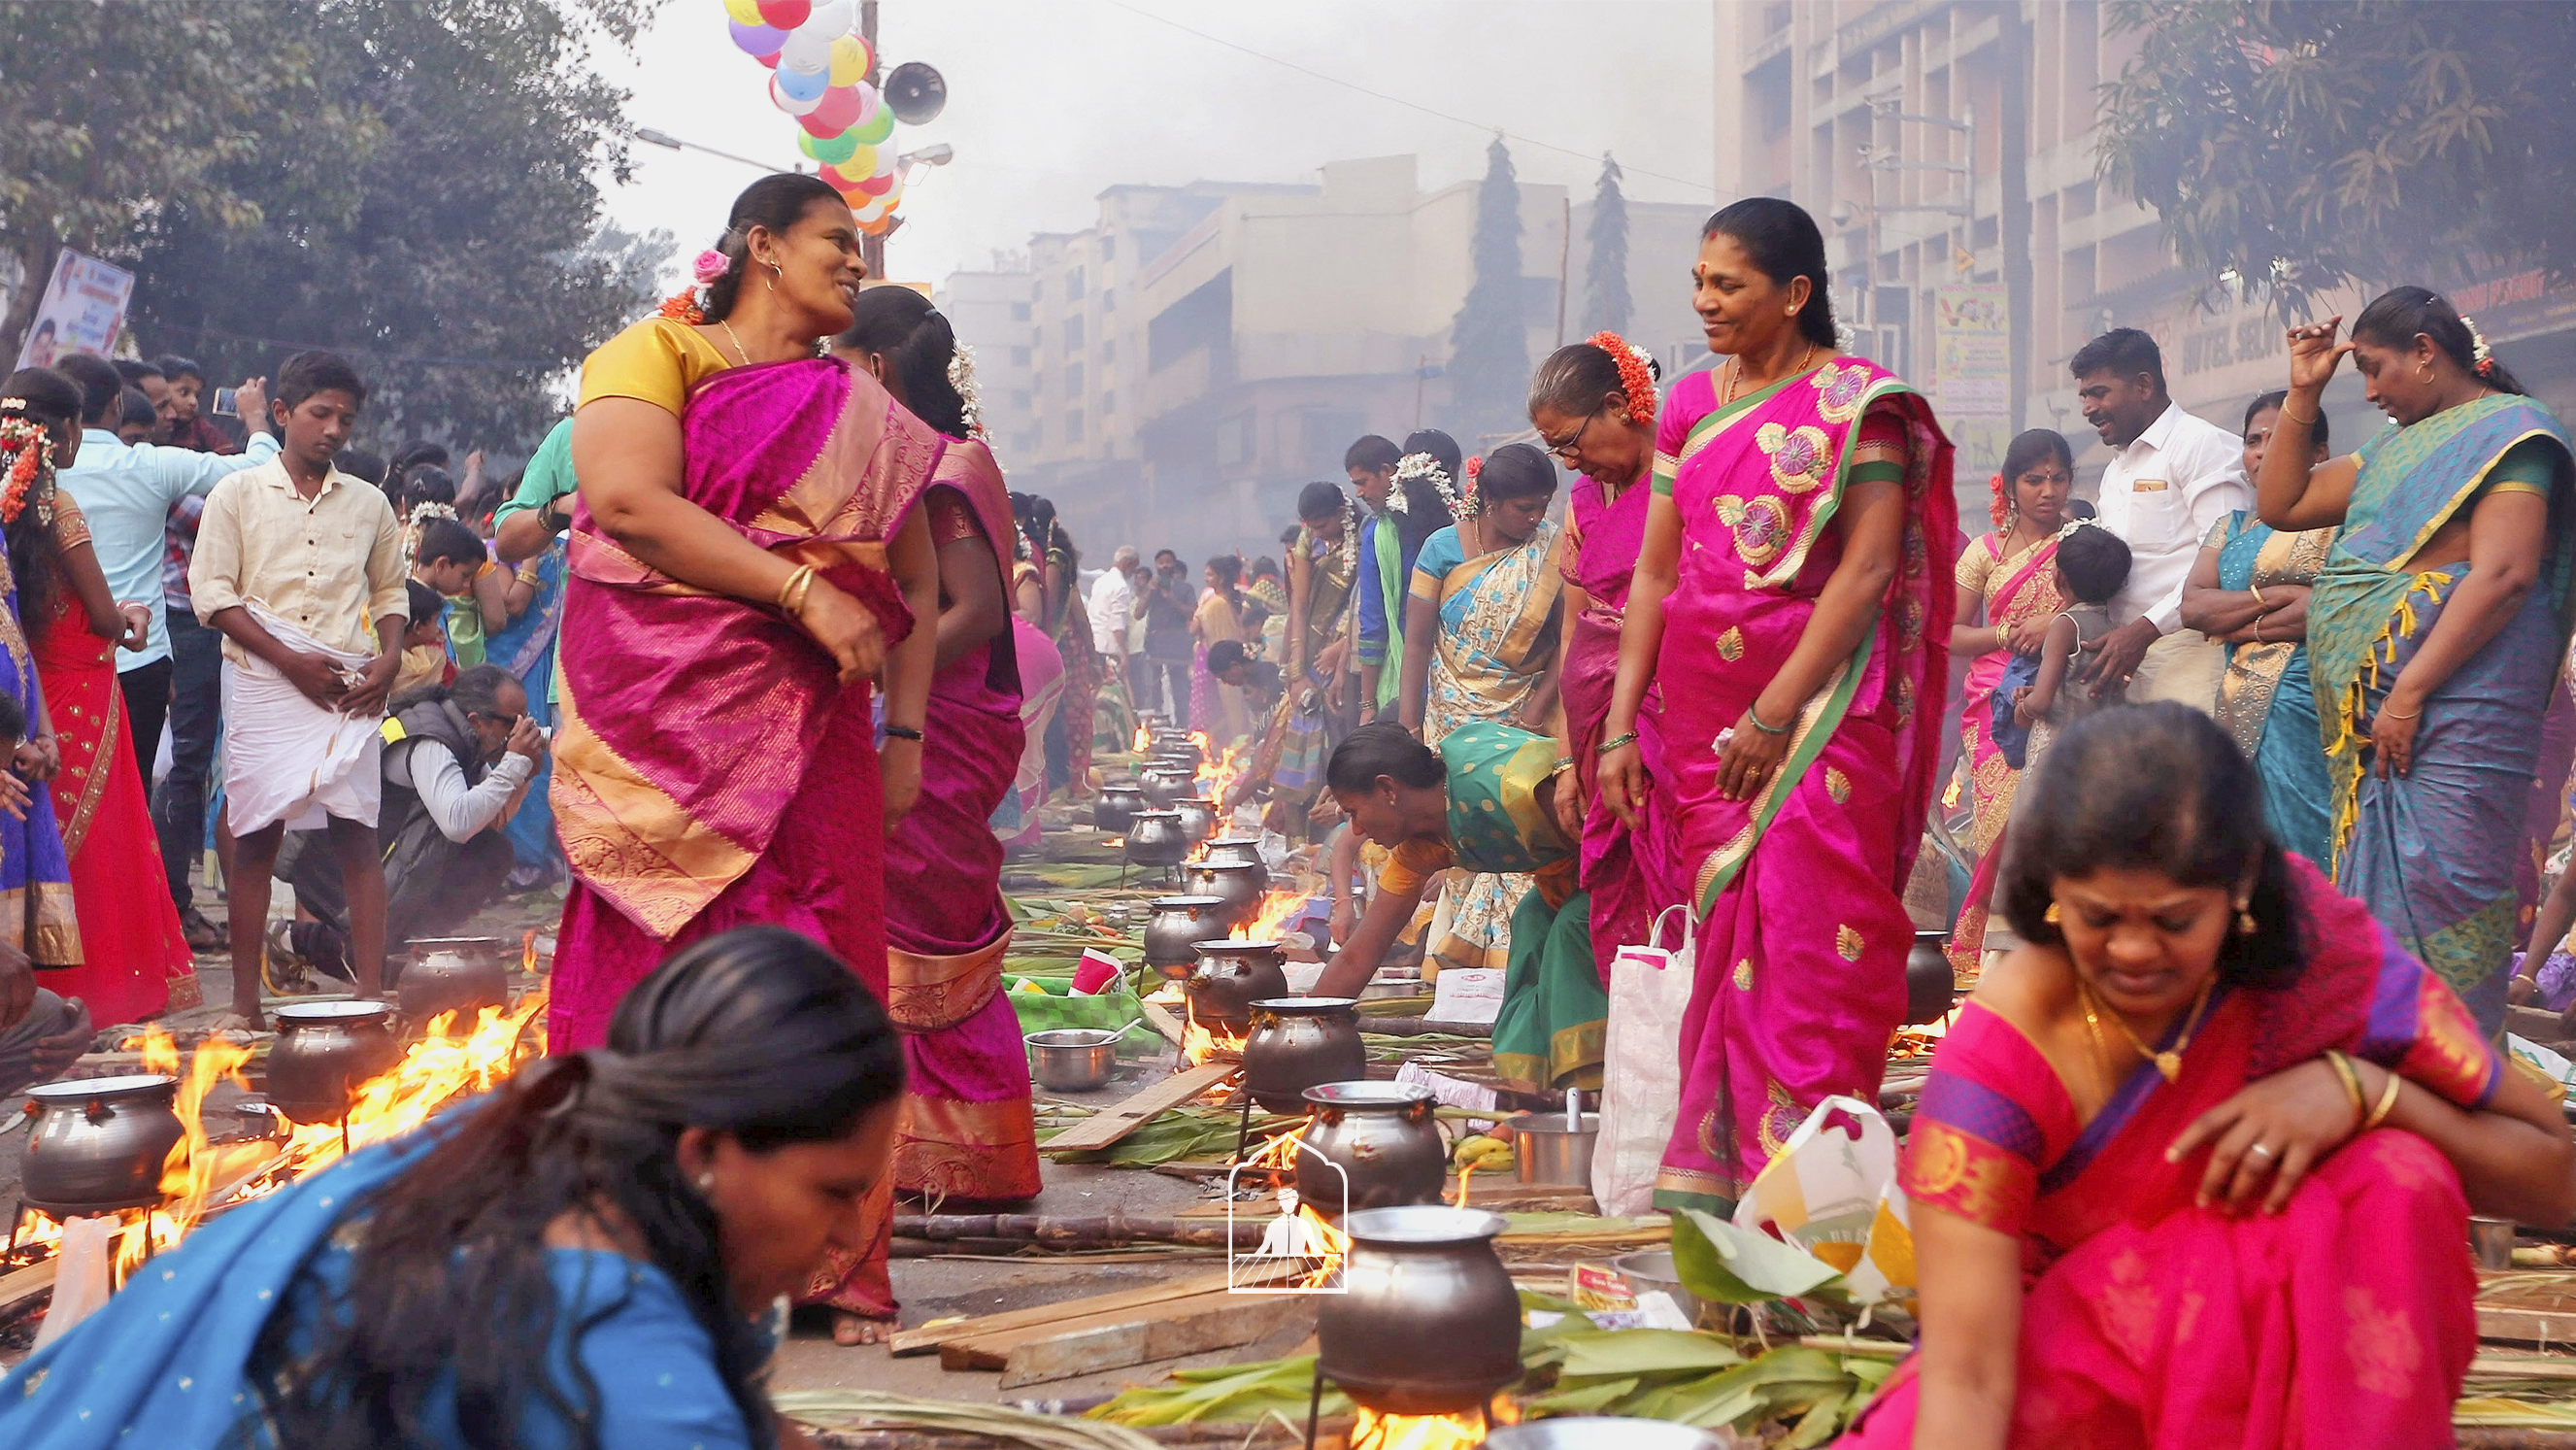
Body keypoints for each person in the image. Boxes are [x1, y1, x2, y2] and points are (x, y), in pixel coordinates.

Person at [1843, 704, 2576, 1448]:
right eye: (2096, 917)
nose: (2131, 951)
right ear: (2052, 890)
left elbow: (2552, 1178)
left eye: (2173, 921)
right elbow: (1967, 1377)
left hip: (2285, 1373)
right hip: (2063, 1380)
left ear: (2241, 884)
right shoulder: (2000, 1055)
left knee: (2391, 1178)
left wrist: (2363, 1090)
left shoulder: (2318, 958)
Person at [0, 926, 906, 1450]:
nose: (845, 1237)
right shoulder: (610, 1345)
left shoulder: (565, 1159)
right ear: (706, 1150)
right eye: (834, 1191)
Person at [554, 175, 940, 1342]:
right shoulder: (654, 351)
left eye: (862, 250)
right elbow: (625, 501)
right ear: (760, 245)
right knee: (652, 963)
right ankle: (618, 1240)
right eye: (837, 242)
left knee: (816, 966)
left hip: (817, 735)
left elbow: (913, 582)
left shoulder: (857, 400)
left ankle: (825, 1259)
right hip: (660, 728)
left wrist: (906, 736)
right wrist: (796, 589)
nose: (855, 265)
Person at [1596, 197, 1955, 1210]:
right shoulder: (1688, 407)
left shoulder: (1861, 407)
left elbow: (1869, 567)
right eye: (1699, 285)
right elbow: (1656, 577)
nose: (1706, 304)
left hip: (1821, 714)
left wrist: (1772, 713)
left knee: (1811, 953)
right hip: (1698, 723)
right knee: (1729, 947)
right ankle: (1721, 1195)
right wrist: (1623, 725)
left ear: (1793, 293)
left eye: (1728, 285)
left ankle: (1811, 1205)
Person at [2256, 287, 2576, 1034]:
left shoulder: (2513, 434)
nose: (2366, 390)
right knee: (2377, 913)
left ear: (2426, 352)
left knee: (2449, 886)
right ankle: (2392, 1071)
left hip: (2454, 715)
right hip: (2377, 735)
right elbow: (2282, 503)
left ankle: (2456, 1073)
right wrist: (2304, 390)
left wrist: (2407, 694)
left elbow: (2504, 575)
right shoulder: (2390, 450)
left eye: (2373, 368)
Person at [833, 286, 1041, 1242]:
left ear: (876, 366)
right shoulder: (949, 456)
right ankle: (931, 1157)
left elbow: (976, 612)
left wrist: (885, 679)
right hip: (946, 713)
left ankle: (970, 1160)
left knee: (928, 944)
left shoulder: (947, 467)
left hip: (945, 722)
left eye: (839, 362)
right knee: (910, 933)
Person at [191, 351, 408, 1030]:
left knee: (356, 834)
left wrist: (392, 657)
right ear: (282, 413)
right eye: (321, 413)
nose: (335, 430)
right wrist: (288, 660)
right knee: (255, 835)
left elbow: (391, 592)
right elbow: (213, 596)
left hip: (347, 681)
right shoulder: (236, 495)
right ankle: (245, 1006)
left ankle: (368, 994)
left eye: (346, 418)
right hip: (263, 676)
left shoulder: (370, 503)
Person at [1525, 332, 1682, 1041]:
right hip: (1594, 724)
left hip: (1670, 710)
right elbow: (1571, 628)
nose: (1567, 462)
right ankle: (1632, 1051)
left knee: (1676, 875)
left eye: (1569, 441)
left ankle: (1685, 1039)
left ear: (1620, 407)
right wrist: (1566, 755)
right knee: (1613, 883)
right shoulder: (1585, 502)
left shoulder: (1689, 477)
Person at [51, 353, 276, 785]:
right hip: (141, 659)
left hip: (57, 655)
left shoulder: (32, 471)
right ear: (117, 405)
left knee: (60, 793)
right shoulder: (151, 465)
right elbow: (261, 470)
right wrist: (255, 419)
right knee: (128, 794)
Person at [1398, 444, 1564, 978]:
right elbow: (1419, 643)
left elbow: (1568, 641)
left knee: (1518, 827)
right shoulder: (1440, 550)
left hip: (1521, 716)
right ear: (1488, 501)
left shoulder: (1553, 554)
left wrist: (1537, 710)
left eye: (1543, 506)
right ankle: (1459, 966)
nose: (1536, 518)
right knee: (1461, 834)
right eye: (1524, 508)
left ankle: (1516, 961)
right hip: (1450, 715)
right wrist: (1407, 721)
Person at [275, 664, 540, 983]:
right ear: (477, 720)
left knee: (491, 851)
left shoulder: (466, 737)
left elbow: (490, 820)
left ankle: (415, 942)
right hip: (340, 873)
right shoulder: (432, 741)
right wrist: (512, 765)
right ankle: (290, 940)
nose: (521, 730)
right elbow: (458, 823)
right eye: (513, 722)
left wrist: (522, 774)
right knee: (389, 975)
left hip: (391, 861)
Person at [1315, 722, 1578, 1020]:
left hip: (1619, 867)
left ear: (1387, 789)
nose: (1357, 828)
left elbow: (1601, 835)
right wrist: (1298, 1024)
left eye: (1353, 812)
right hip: (1565, 884)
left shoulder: (1506, 787)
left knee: (1565, 926)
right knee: (1531, 930)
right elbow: (1357, 957)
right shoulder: (1415, 852)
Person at [2180, 390, 2338, 864]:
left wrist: (2237, 624)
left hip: (2311, 702)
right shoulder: (2229, 527)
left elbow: (2326, 610)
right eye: (2254, 440)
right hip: (2234, 703)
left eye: (2282, 438)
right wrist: (2276, 598)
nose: (2264, 450)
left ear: (2319, 454)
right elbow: (2193, 608)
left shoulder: (2339, 520)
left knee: (2312, 841)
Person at [0, 373, 113, 1006]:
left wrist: (37, 730)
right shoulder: (47, 507)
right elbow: (100, 616)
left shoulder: (8, 517)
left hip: (21, 724)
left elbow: (11, 628)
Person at [1945, 429, 2074, 973]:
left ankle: (2049, 940)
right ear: (2012, 485)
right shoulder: (1984, 552)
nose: (2049, 490)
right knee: (1998, 820)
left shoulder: (2083, 541)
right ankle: (1989, 953)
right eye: (2035, 479)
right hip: (1992, 703)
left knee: (2054, 815)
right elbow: (1950, 634)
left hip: (2064, 687)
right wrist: (2008, 635)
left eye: (2059, 477)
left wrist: (2053, 630)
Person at [2068, 327, 2251, 708]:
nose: (2087, 408)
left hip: (2193, 652)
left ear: (2144, 386)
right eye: (2084, 396)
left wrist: (2146, 630)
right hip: (2123, 661)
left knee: (2186, 767)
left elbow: (2226, 560)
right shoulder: (2114, 471)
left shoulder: (2201, 445)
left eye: (2099, 393)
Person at [485, 419, 575, 890]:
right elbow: (510, 605)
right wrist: (555, 514)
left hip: (543, 671)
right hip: (562, 672)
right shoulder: (574, 439)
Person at [2004, 521, 2129, 770]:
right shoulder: (2115, 627)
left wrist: (2022, 710)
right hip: (2100, 746)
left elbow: (2041, 703)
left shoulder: (2064, 625)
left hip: (2060, 750)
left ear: (2059, 576)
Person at [1021, 495, 1095, 796]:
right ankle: (1061, 778)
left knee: (1070, 712)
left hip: (1058, 643)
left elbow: (1050, 607)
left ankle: (1072, 779)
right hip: (1055, 644)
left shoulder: (1053, 558)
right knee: (1055, 715)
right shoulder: (1048, 556)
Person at [1190, 552, 1252, 744]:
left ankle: (1223, 748)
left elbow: (1194, 629)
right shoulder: (1234, 599)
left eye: (1209, 575)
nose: (1205, 578)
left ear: (1221, 577)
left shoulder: (1214, 603)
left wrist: (1199, 611)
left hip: (1219, 662)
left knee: (1215, 709)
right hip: (1229, 662)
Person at [1139, 548, 1193, 726]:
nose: (1164, 566)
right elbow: (1137, 613)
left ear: (1174, 564)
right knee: (1153, 688)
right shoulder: (1150, 588)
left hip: (1177, 645)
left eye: (1168, 562)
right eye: (1161, 562)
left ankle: (1182, 726)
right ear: (1155, 565)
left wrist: (1171, 598)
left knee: (1180, 689)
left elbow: (1192, 613)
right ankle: (1157, 725)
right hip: (1155, 644)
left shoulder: (1185, 588)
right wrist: (1149, 591)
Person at [150, 354, 237, 455]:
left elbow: (232, 458)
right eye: (184, 392)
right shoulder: (141, 425)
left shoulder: (200, 428)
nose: (193, 401)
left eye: (197, 395)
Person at [1089, 544, 1141, 708]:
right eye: (1134, 568)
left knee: (1095, 691)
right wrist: (1124, 652)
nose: (1133, 573)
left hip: (1094, 643)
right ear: (1127, 564)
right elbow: (1117, 623)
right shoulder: (1121, 587)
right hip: (1109, 649)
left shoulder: (1100, 581)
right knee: (1111, 696)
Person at [391, 579, 452, 697]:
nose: (439, 629)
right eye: (435, 622)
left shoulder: (428, 655)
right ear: (417, 627)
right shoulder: (393, 666)